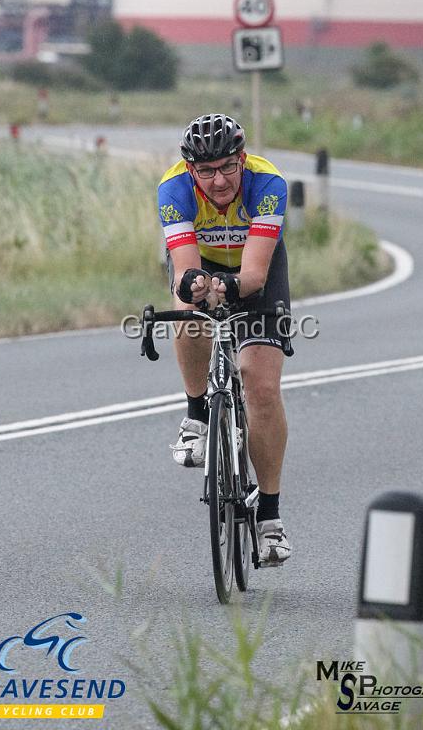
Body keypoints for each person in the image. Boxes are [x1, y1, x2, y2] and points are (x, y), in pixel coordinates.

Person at [158, 114, 292, 566]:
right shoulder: (173, 189)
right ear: (192, 170)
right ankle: (197, 415)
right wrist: (195, 287)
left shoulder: (267, 182)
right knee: (188, 313)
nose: (218, 180)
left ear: (241, 158)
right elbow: (183, 269)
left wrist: (229, 290)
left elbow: (253, 275)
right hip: (204, 264)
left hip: (258, 269)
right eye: (206, 171)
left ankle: (270, 519)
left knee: (261, 385)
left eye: (227, 167)